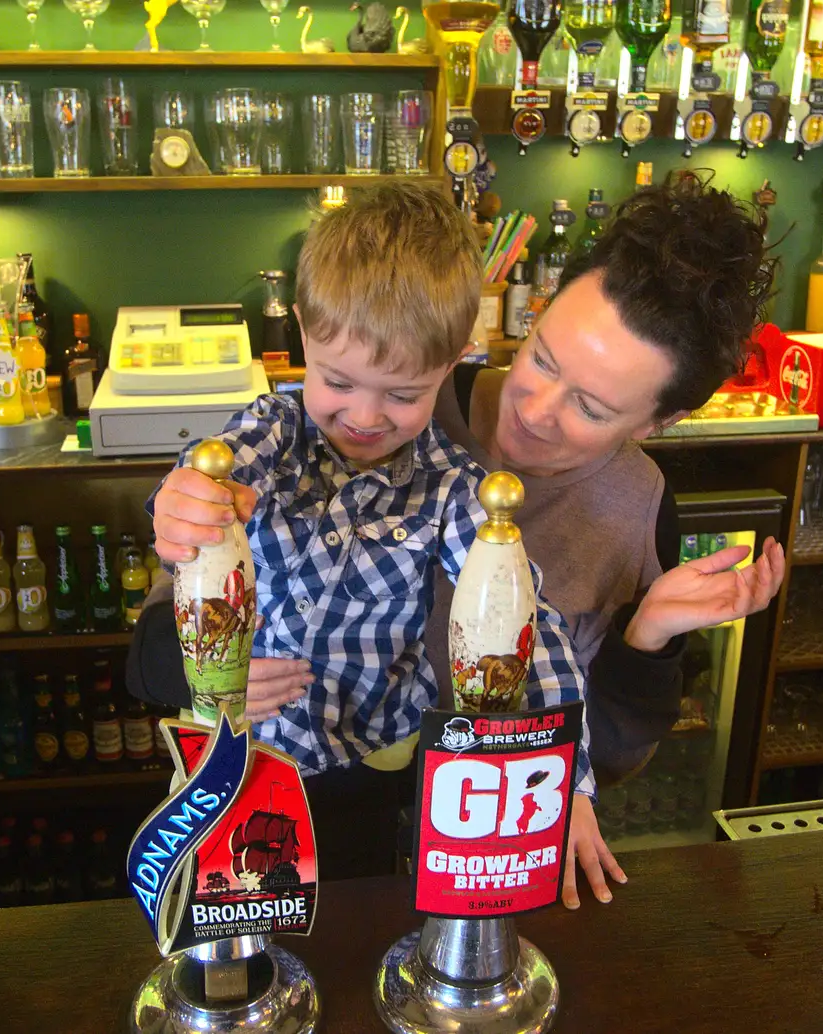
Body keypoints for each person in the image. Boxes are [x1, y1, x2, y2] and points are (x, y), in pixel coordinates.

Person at [140, 179, 786, 906]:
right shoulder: (303, 418)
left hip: (431, 828)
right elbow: (195, 544)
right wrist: (188, 524)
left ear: (655, 424)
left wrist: (635, 660)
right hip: (258, 765)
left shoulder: (530, 497)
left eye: (592, 406)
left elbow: (545, 654)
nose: (538, 412)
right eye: (543, 359)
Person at [136, 182, 595, 877]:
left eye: (405, 395)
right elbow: (213, 471)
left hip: (374, 772)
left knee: (360, 927)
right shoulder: (274, 433)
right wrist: (187, 500)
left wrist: (567, 782)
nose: (365, 416)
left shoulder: (454, 488)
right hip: (250, 754)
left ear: (453, 362)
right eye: (338, 381)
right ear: (301, 332)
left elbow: (532, 627)